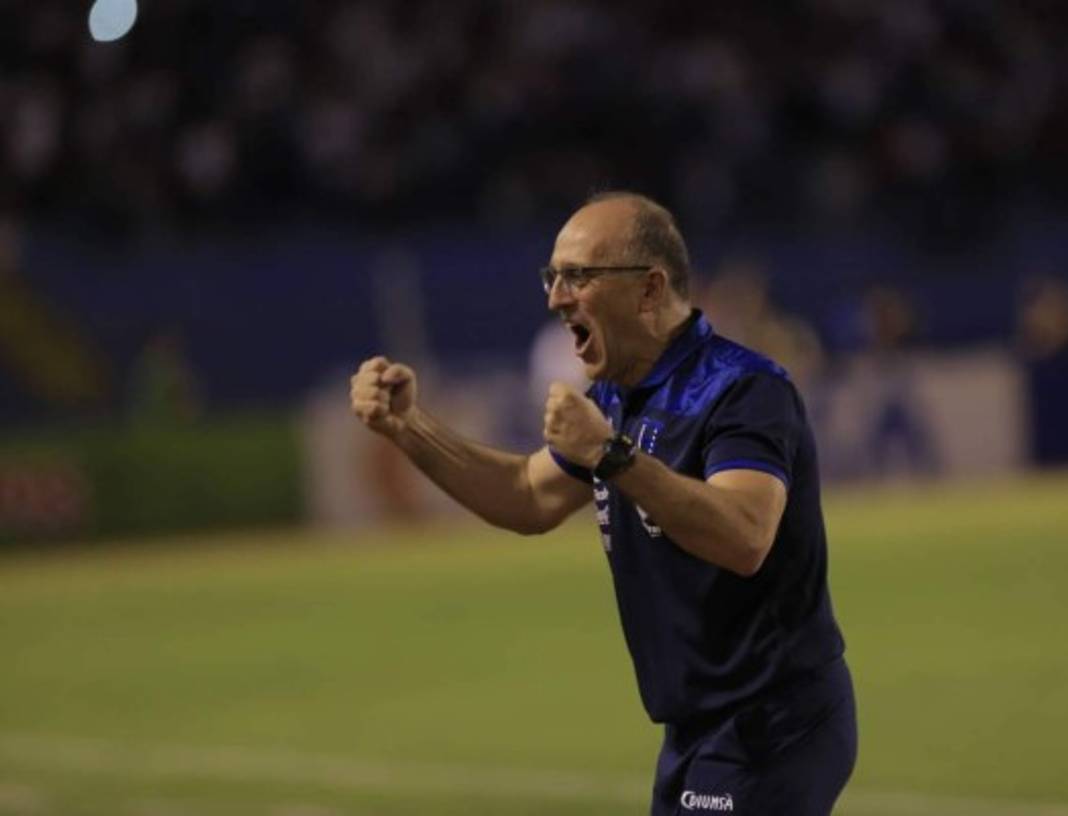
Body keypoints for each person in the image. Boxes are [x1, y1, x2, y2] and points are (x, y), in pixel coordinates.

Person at [350, 191, 856, 815]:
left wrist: (611, 456)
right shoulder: (619, 395)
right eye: (553, 277)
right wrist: (410, 429)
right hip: (698, 729)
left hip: (773, 723)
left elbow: (745, 536)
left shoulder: (742, 389)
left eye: (578, 276)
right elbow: (527, 495)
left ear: (649, 288)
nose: (556, 298)